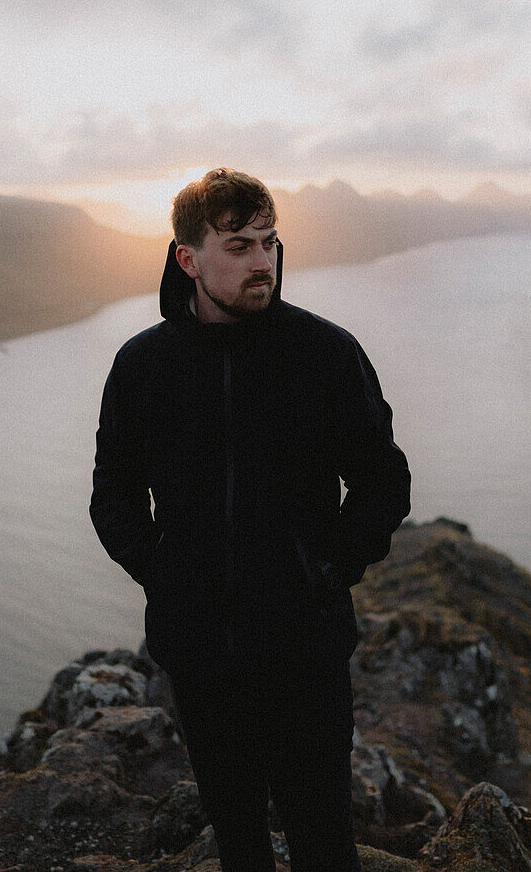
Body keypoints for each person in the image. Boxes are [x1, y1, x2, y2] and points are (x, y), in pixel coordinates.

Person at [90, 167, 411, 872]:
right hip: (200, 652)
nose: (263, 261)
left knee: (323, 836)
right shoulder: (144, 366)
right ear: (189, 259)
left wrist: (328, 569)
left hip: (306, 647)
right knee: (237, 837)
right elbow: (112, 494)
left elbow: (384, 480)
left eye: (269, 242)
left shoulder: (325, 353)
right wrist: (165, 572)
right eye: (239, 246)